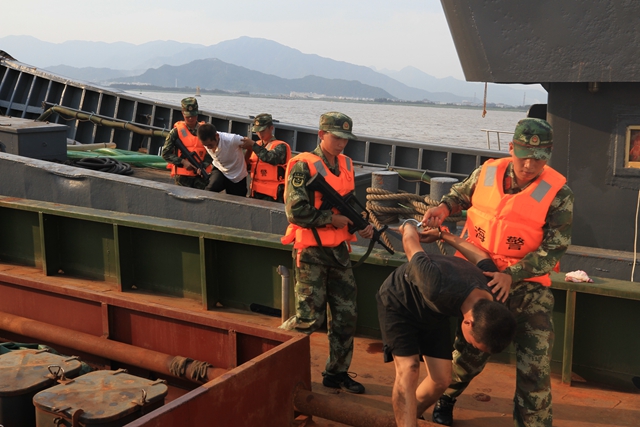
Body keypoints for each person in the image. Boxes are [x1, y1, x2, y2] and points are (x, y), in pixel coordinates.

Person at [422, 118, 574, 427]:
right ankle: (447, 397)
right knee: (469, 355)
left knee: (536, 369)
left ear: (549, 154)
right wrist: (443, 208)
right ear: (511, 148)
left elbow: (554, 249)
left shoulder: (560, 194)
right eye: (523, 156)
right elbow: (459, 195)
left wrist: (513, 274)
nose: (529, 164)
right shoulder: (486, 173)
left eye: (539, 158)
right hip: (479, 280)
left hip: (528, 288)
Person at [378, 221, 516, 427]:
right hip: (400, 301)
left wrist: (443, 235)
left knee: (442, 380)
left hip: (435, 312)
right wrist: (408, 226)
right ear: (468, 323)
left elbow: (482, 258)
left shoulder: (494, 291)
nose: (469, 346)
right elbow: (410, 244)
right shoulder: (435, 282)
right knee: (409, 369)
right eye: (473, 343)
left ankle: (409, 415)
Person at [279, 111, 374, 394]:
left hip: (340, 253)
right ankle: (273, 355)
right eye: (336, 137)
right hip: (311, 253)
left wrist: (362, 223)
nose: (342, 143)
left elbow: (348, 203)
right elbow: (295, 211)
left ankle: (336, 373)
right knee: (309, 318)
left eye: (346, 138)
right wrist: (330, 220)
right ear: (321, 135)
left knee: (346, 316)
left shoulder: (345, 163)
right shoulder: (302, 166)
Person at [161, 97, 212, 189]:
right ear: (182, 113)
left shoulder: (205, 130)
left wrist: (202, 166)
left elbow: (212, 151)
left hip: (200, 177)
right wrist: (182, 162)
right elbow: (165, 154)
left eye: (193, 115)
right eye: (188, 116)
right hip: (182, 178)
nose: (191, 119)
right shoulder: (176, 132)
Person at [197, 123, 254, 196]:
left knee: (237, 200)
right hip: (220, 169)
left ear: (216, 136)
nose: (208, 148)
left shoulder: (232, 140)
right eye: (205, 145)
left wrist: (246, 161)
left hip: (237, 174)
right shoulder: (206, 142)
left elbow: (250, 146)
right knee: (209, 190)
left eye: (210, 145)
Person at [248, 113, 292, 203]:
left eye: (263, 130)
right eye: (257, 131)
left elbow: (271, 158)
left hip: (273, 196)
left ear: (271, 128)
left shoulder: (281, 146)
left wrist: (253, 145)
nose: (259, 133)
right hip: (256, 193)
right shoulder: (257, 145)